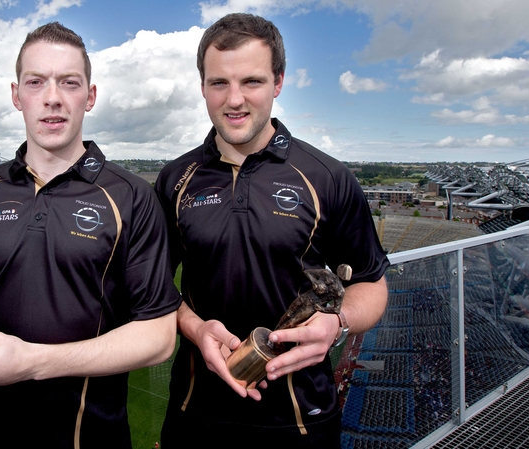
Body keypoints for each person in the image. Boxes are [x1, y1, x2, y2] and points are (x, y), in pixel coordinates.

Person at [0, 22, 181, 448]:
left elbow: (157, 338)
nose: (52, 97)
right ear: (16, 95)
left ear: (91, 96)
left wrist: (34, 362)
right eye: (36, 82)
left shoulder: (132, 196)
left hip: (84, 434)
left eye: (69, 82)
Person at [155, 13, 389, 448]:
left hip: (301, 420)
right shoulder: (174, 179)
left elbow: (372, 285)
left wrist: (338, 323)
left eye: (253, 82)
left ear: (279, 82)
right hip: (195, 414)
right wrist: (194, 329)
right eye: (219, 83)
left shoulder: (327, 177)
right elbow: (152, 291)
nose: (235, 99)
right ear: (202, 86)